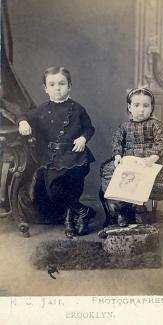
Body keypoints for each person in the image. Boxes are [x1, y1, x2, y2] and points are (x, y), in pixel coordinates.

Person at [18, 66, 95, 237]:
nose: (57, 88)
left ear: (69, 86)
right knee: (54, 190)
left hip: (75, 155)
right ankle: (84, 212)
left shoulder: (77, 109)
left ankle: (70, 221)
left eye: (61, 83)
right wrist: (23, 122)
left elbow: (89, 128)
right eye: (52, 84)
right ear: (45, 89)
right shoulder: (43, 109)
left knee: (72, 187)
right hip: (53, 157)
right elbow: (25, 115)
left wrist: (83, 138)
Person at [100, 87, 163, 227]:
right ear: (129, 107)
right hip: (130, 159)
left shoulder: (155, 125)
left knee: (151, 178)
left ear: (151, 107)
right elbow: (117, 142)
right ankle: (123, 211)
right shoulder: (124, 126)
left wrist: (152, 158)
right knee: (116, 176)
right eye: (136, 105)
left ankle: (135, 211)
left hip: (150, 159)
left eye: (146, 106)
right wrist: (117, 156)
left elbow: (161, 142)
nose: (141, 110)